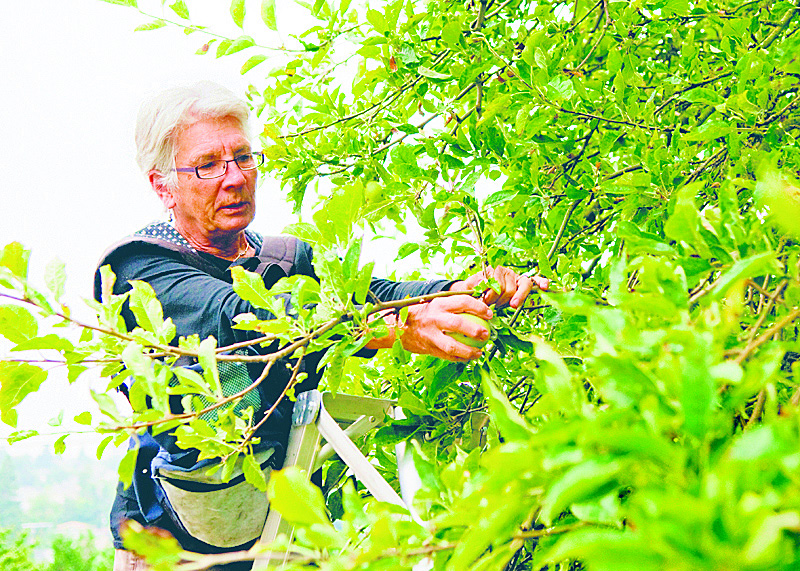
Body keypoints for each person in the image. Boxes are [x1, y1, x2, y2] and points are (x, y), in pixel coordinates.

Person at [96, 81, 548, 571]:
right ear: (163, 184)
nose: (234, 178)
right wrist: (397, 329)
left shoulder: (283, 259)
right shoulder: (139, 270)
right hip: (182, 533)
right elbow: (242, 321)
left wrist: (465, 288)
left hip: (285, 520)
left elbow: (374, 296)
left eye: (244, 157)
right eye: (208, 165)